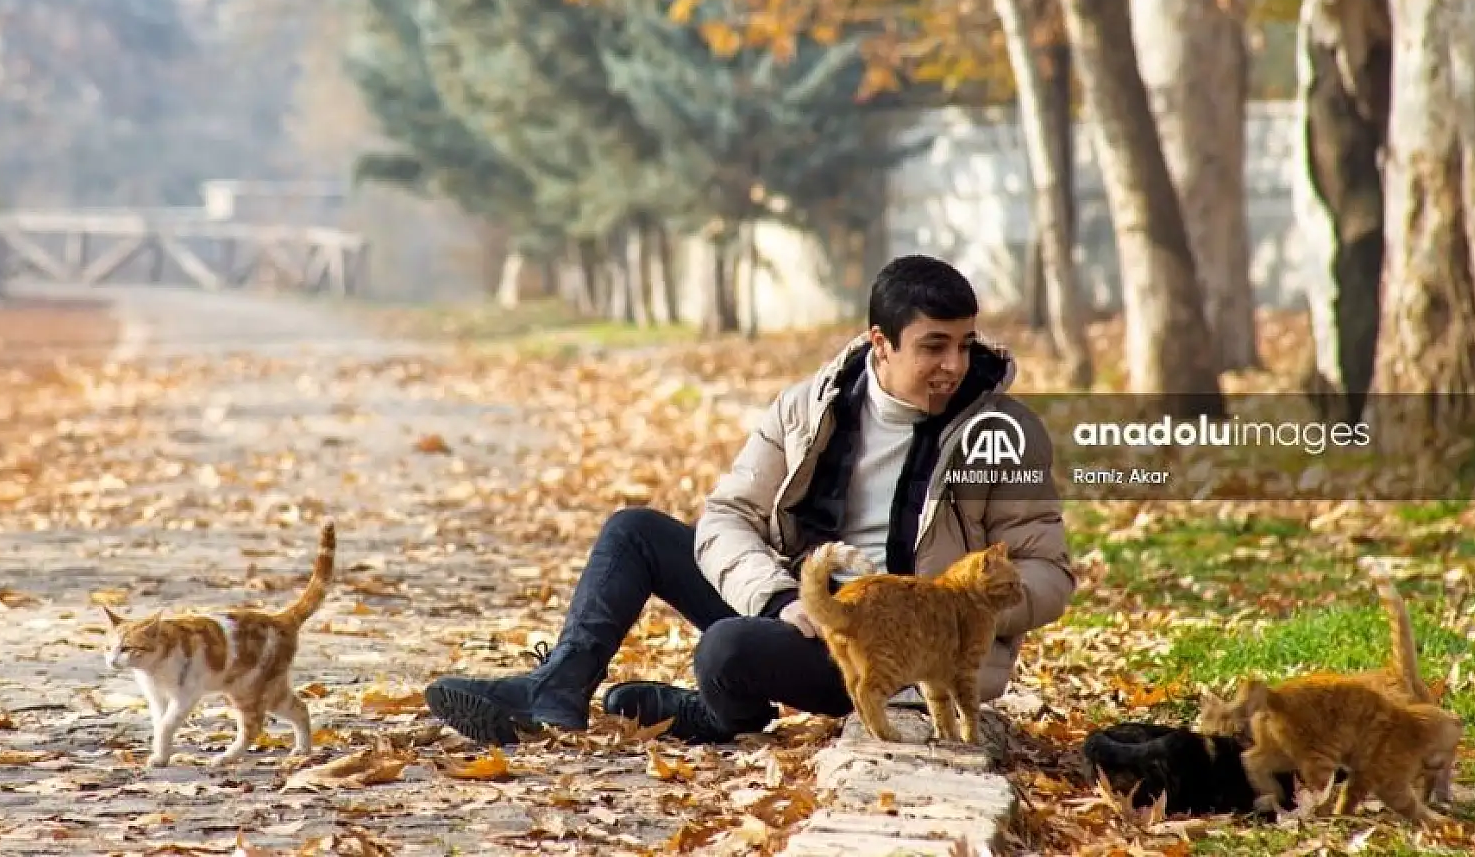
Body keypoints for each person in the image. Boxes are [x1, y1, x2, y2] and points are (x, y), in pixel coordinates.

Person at [423, 254, 1076, 745]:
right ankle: (556, 691)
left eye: (964, 344)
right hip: (803, 604)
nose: (954, 365)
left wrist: (945, 605)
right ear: (881, 342)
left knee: (727, 650)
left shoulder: (1003, 433)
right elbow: (727, 516)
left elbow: (1048, 569)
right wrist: (780, 598)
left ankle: (715, 712)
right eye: (933, 345)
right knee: (634, 531)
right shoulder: (809, 405)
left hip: (891, 647)